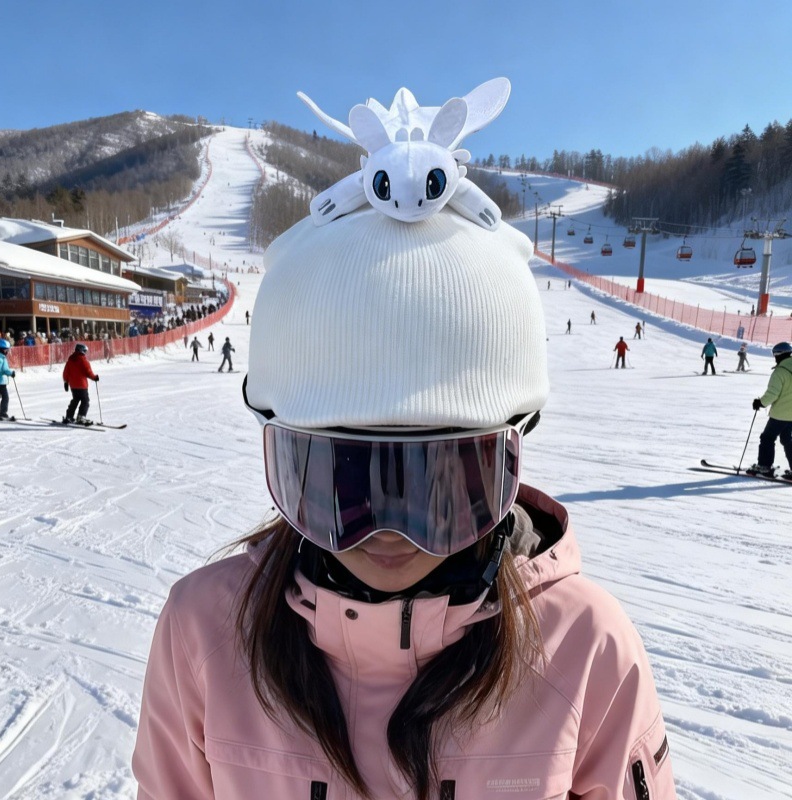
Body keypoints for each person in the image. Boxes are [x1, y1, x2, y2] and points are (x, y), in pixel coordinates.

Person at [134, 184, 676, 797]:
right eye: (344, 483)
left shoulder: (584, 647)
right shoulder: (205, 630)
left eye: (439, 485)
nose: (388, 535)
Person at [747, 341, 792, 479]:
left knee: (767, 438)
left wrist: (760, 403)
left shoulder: (780, 372)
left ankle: (764, 467)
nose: (775, 358)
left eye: (775, 355)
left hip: (780, 414)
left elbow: (773, 393)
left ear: (779, 354)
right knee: (787, 440)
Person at [62, 343, 99, 425]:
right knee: (85, 401)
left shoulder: (70, 360)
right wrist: (94, 377)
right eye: (85, 351)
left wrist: (66, 382)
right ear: (81, 350)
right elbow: (88, 372)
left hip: (73, 386)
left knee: (75, 400)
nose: (85, 353)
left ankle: (69, 416)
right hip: (82, 385)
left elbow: (66, 373)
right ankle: (81, 417)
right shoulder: (83, 361)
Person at [0, 338, 15, 420]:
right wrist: (11, 373)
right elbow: (2, 370)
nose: (7, 352)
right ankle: (3, 413)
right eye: (6, 350)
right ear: (1, 349)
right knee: (5, 397)